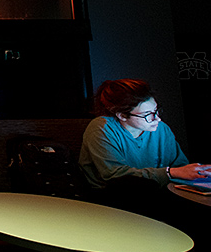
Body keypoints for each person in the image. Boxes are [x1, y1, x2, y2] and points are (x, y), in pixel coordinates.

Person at [78, 78, 209, 194]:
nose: (157, 119)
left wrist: (198, 173)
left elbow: (180, 167)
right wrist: (170, 172)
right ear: (122, 115)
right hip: (112, 197)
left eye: (156, 111)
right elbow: (115, 176)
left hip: (158, 193)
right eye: (147, 114)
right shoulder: (102, 129)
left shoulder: (160, 129)